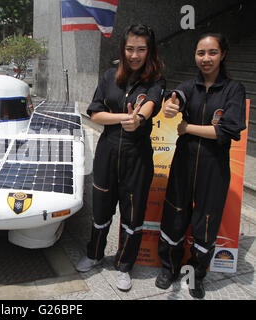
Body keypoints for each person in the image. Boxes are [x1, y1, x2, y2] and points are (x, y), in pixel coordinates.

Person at [155, 33, 247, 299]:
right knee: (174, 216)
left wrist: (186, 127)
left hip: (213, 168)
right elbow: (177, 97)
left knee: (206, 224)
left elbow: (227, 131)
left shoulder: (233, 89)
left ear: (223, 55)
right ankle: (169, 268)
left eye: (212, 53)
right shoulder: (188, 86)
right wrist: (172, 105)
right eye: (201, 53)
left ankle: (196, 274)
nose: (206, 59)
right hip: (183, 163)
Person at [75, 24, 166, 292]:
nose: (134, 55)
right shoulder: (109, 76)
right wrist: (124, 118)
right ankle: (94, 254)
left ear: (149, 51)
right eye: (130, 49)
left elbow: (150, 105)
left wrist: (138, 118)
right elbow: (95, 113)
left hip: (137, 157)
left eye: (141, 49)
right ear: (122, 49)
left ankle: (124, 265)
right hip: (107, 153)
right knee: (101, 210)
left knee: (133, 216)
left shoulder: (156, 80)